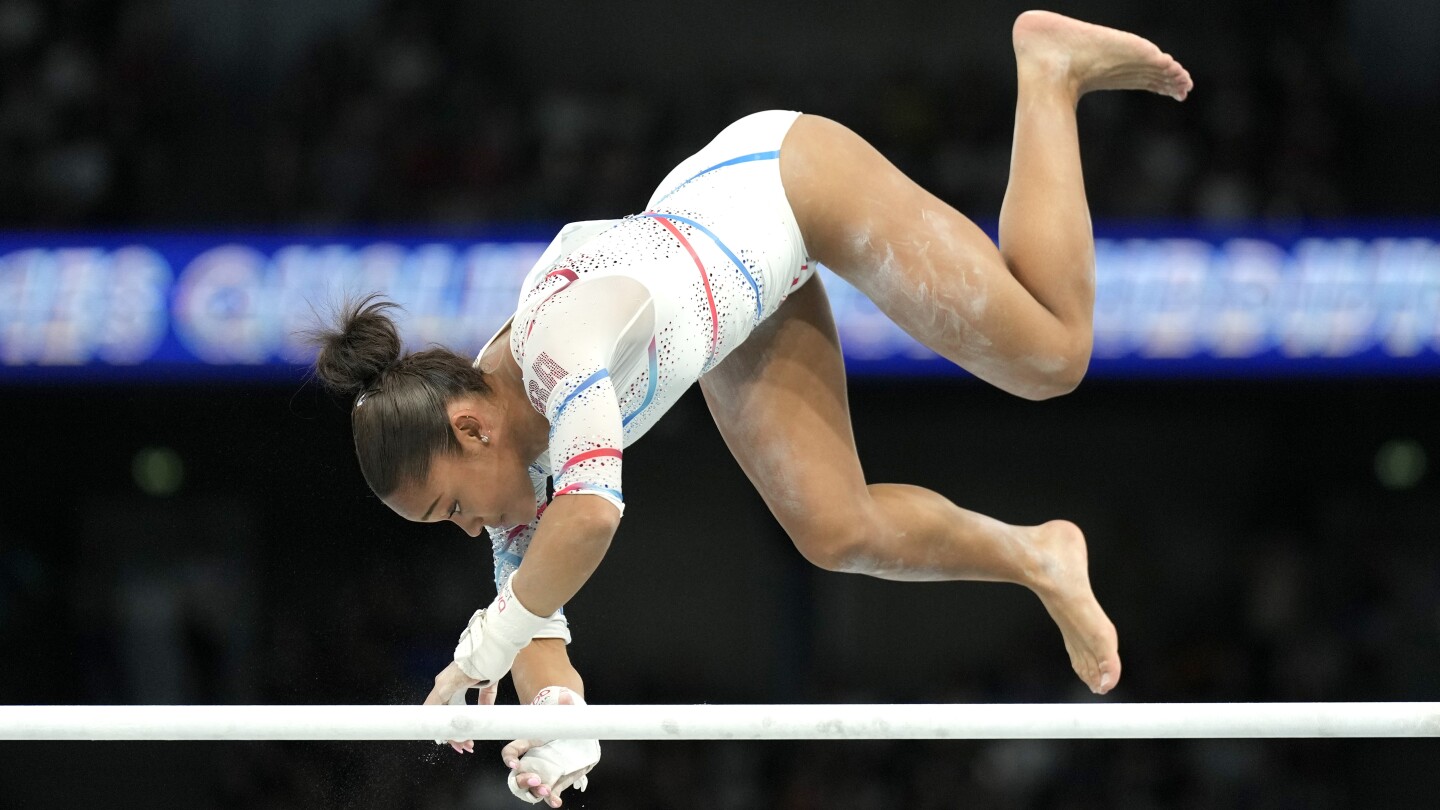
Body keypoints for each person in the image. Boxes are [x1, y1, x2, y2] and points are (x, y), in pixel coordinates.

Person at [309, 11, 1191, 807]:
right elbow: (537, 611)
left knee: (1053, 355)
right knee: (836, 529)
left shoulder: (557, 344)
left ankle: (1048, 71)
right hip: (731, 293)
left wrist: (481, 650)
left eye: (452, 506)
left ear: (471, 428)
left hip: (785, 185)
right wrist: (559, 717)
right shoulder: (508, 454)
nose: (468, 528)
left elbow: (591, 519)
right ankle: (1039, 555)